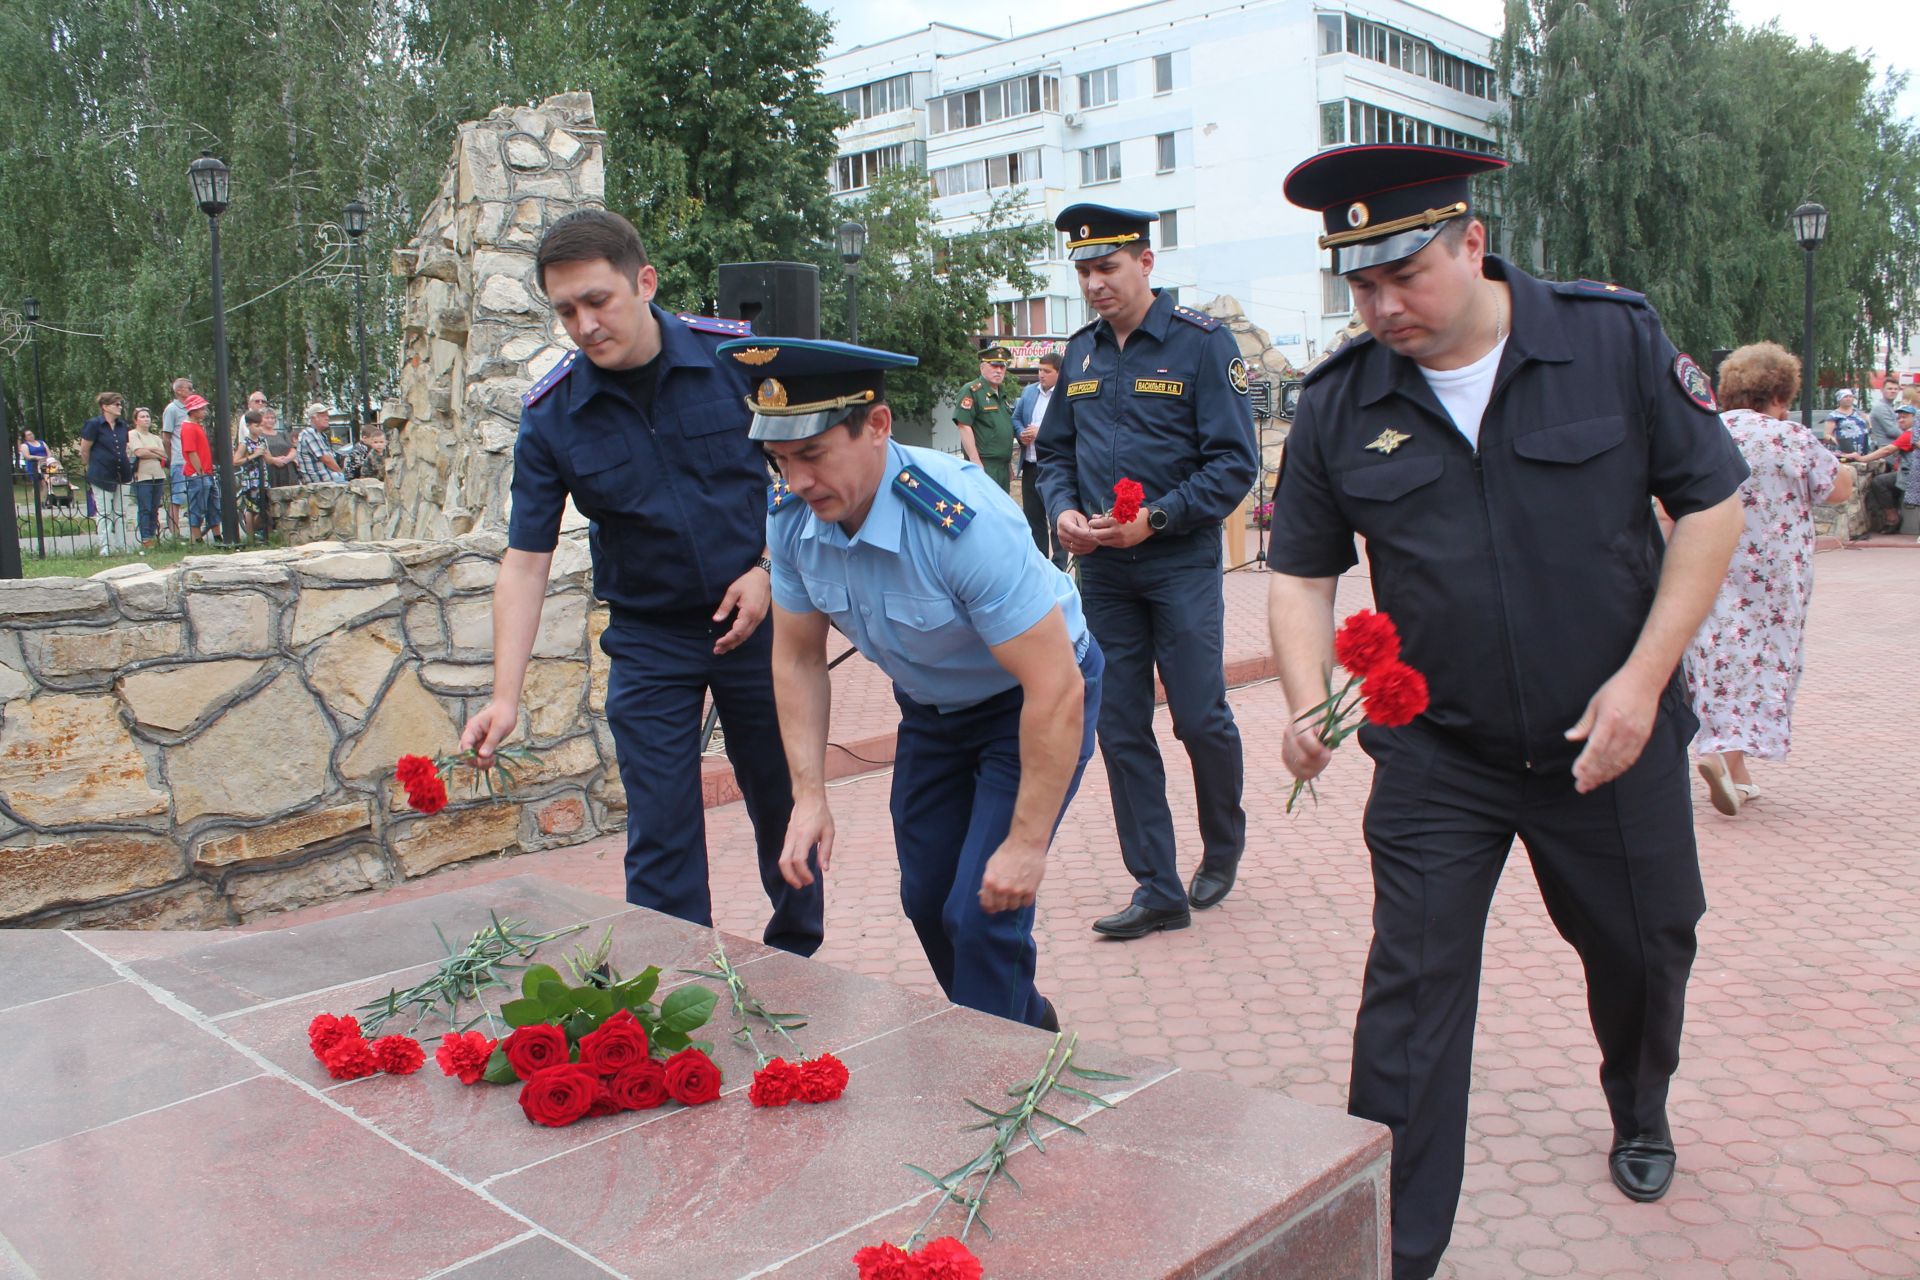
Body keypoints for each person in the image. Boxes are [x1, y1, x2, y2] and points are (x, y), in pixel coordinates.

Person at [1270, 144, 1748, 1280]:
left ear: (1471, 242)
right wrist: (1303, 701)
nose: (1382, 307)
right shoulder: (1343, 404)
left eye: (1406, 277)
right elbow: (1298, 573)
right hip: (1442, 754)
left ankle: (1639, 1100)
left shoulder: (1609, 340)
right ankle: (1391, 1249)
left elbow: (1713, 501)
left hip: (1610, 737)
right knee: (1410, 999)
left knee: (1645, 945)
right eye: (1360, 284)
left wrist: (1644, 679)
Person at [458, 207, 821, 956]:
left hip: (760, 620)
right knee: (659, 826)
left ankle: (799, 962)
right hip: (651, 638)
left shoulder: (739, 364)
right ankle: (677, 982)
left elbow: (809, 477)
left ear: (644, 282)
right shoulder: (553, 416)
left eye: (598, 300)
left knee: (783, 804)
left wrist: (768, 567)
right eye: (565, 310)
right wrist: (503, 696)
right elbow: (525, 561)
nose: (585, 324)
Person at [730, 335, 1102, 1030]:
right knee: (929, 900)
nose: (798, 480)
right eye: (780, 459)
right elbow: (799, 659)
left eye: (812, 454)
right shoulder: (792, 518)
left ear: (876, 426)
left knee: (984, 909)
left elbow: (1056, 690)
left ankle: (997, 1083)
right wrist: (809, 797)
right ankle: (1030, 1035)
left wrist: (1025, 845)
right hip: (934, 712)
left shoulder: (961, 523)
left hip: (1031, 703)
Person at [1035, 202, 1259, 938]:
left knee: (1199, 716)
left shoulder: (1201, 344)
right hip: (1102, 569)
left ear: (1145, 263)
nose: (1096, 283)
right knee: (1121, 726)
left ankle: (1222, 845)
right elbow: (1057, 455)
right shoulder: (1080, 354)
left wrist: (1155, 519)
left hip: (1179, 562)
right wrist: (1065, 511)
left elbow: (1235, 464)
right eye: (1085, 271)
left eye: (1108, 267)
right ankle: (1157, 886)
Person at [1687, 343, 1851, 816]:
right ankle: (1727, 757)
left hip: (1708, 560)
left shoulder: (1705, 433)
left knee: (1716, 656)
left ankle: (1728, 763)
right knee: (1764, 661)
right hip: (1776, 576)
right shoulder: (1791, 438)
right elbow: (1837, 490)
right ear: (1780, 394)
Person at [1011, 351, 1068, 567]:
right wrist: (1021, 434)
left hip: (1054, 467)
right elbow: (1016, 418)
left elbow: (1067, 427)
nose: (1041, 375)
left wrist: (1040, 432)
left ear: (1058, 373)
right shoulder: (1028, 392)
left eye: (1046, 371)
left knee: (1057, 517)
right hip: (1031, 465)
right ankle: (1040, 564)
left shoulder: (1064, 395)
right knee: (1034, 518)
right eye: (1039, 370)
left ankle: (1059, 565)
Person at [1843, 403, 1917, 536]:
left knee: (1880, 482)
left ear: (1915, 418)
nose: (1901, 420)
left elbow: (1887, 450)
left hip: (1913, 476)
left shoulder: (1911, 434)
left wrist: (1862, 458)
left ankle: (1892, 518)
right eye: (1899, 417)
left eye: (1905, 417)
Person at [953, 345, 1018, 492]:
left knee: (1000, 510)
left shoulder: (1001, 394)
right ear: (982, 367)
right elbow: (963, 425)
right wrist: (975, 462)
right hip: (985, 464)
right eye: (994, 365)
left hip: (1002, 466)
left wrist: (1007, 464)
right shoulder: (972, 390)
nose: (999, 370)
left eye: (1002, 367)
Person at [79, 392, 134, 555]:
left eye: (120, 404)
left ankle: (122, 544)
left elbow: (124, 446)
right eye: (116, 405)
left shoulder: (122, 425)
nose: (120, 408)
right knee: (104, 512)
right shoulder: (94, 424)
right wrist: (90, 465)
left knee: (120, 511)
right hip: (101, 472)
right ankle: (106, 547)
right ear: (105, 407)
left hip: (122, 471)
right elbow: (85, 448)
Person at [127, 406, 169, 550]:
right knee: (145, 508)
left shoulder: (155, 437)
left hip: (158, 474)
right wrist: (155, 452)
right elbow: (139, 452)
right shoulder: (133, 434)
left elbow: (164, 454)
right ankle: (146, 538)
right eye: (142, 417)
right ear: (136, 420)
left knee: (154, 508)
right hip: (142, 476)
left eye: (147, 417)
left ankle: (153, 534)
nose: (146, 419)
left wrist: (151, 451)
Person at [177, 394, 217, 542]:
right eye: (201, 408)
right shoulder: (188, 427)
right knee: (197, 506)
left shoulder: (196, 426)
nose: (204, 411)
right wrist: (199, 471)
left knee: (213, 505)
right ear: (193, 411)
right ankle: (197, 538)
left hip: (206, 472)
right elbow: (191, 451)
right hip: (198, 474)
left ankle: (217, 534)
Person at [163, 378, 193, 540]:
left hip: (192, 459)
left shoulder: (191, 409)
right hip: (179, 459)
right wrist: (171, 456)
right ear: (180, 390)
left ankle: (194, 532)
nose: (192, 391)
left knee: (194, 495)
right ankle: (175, 534)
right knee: (178, 497)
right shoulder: (172, 409)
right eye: (190, 388)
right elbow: (166, 437)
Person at [296, 404, 345, 484]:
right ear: (313, 418)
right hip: (320, 481)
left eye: (327, 415)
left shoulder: (321, 435)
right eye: (323, 416)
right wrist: (341, 474)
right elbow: (327, 460)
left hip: (328, 478)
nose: (327, 418)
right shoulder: (309, 433)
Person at [1869, 379, 1905, 450]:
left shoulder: (1891, 406)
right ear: (1882, 390)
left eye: (1896, 389)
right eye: (1889, 389)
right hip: (1885, 449)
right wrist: (1912, 437)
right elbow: (1892, 431)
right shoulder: (1880, 407)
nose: (1893, 391)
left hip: (1893, 448)